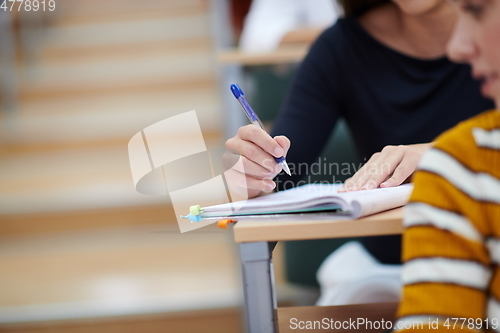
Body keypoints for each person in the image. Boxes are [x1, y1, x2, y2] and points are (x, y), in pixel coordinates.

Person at [224, 0, 494, 286]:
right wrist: (250, 173)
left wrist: (445, 155)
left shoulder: (492, 34)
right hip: (391, 270)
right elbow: (280, 171)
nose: (461, 48)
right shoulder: (341, 46)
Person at [394, 0, 500, 330]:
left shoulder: (461, 163)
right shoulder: (463, 165)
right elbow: (285, 168)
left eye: (476, 9)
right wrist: (245, 173)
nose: (455, 48)